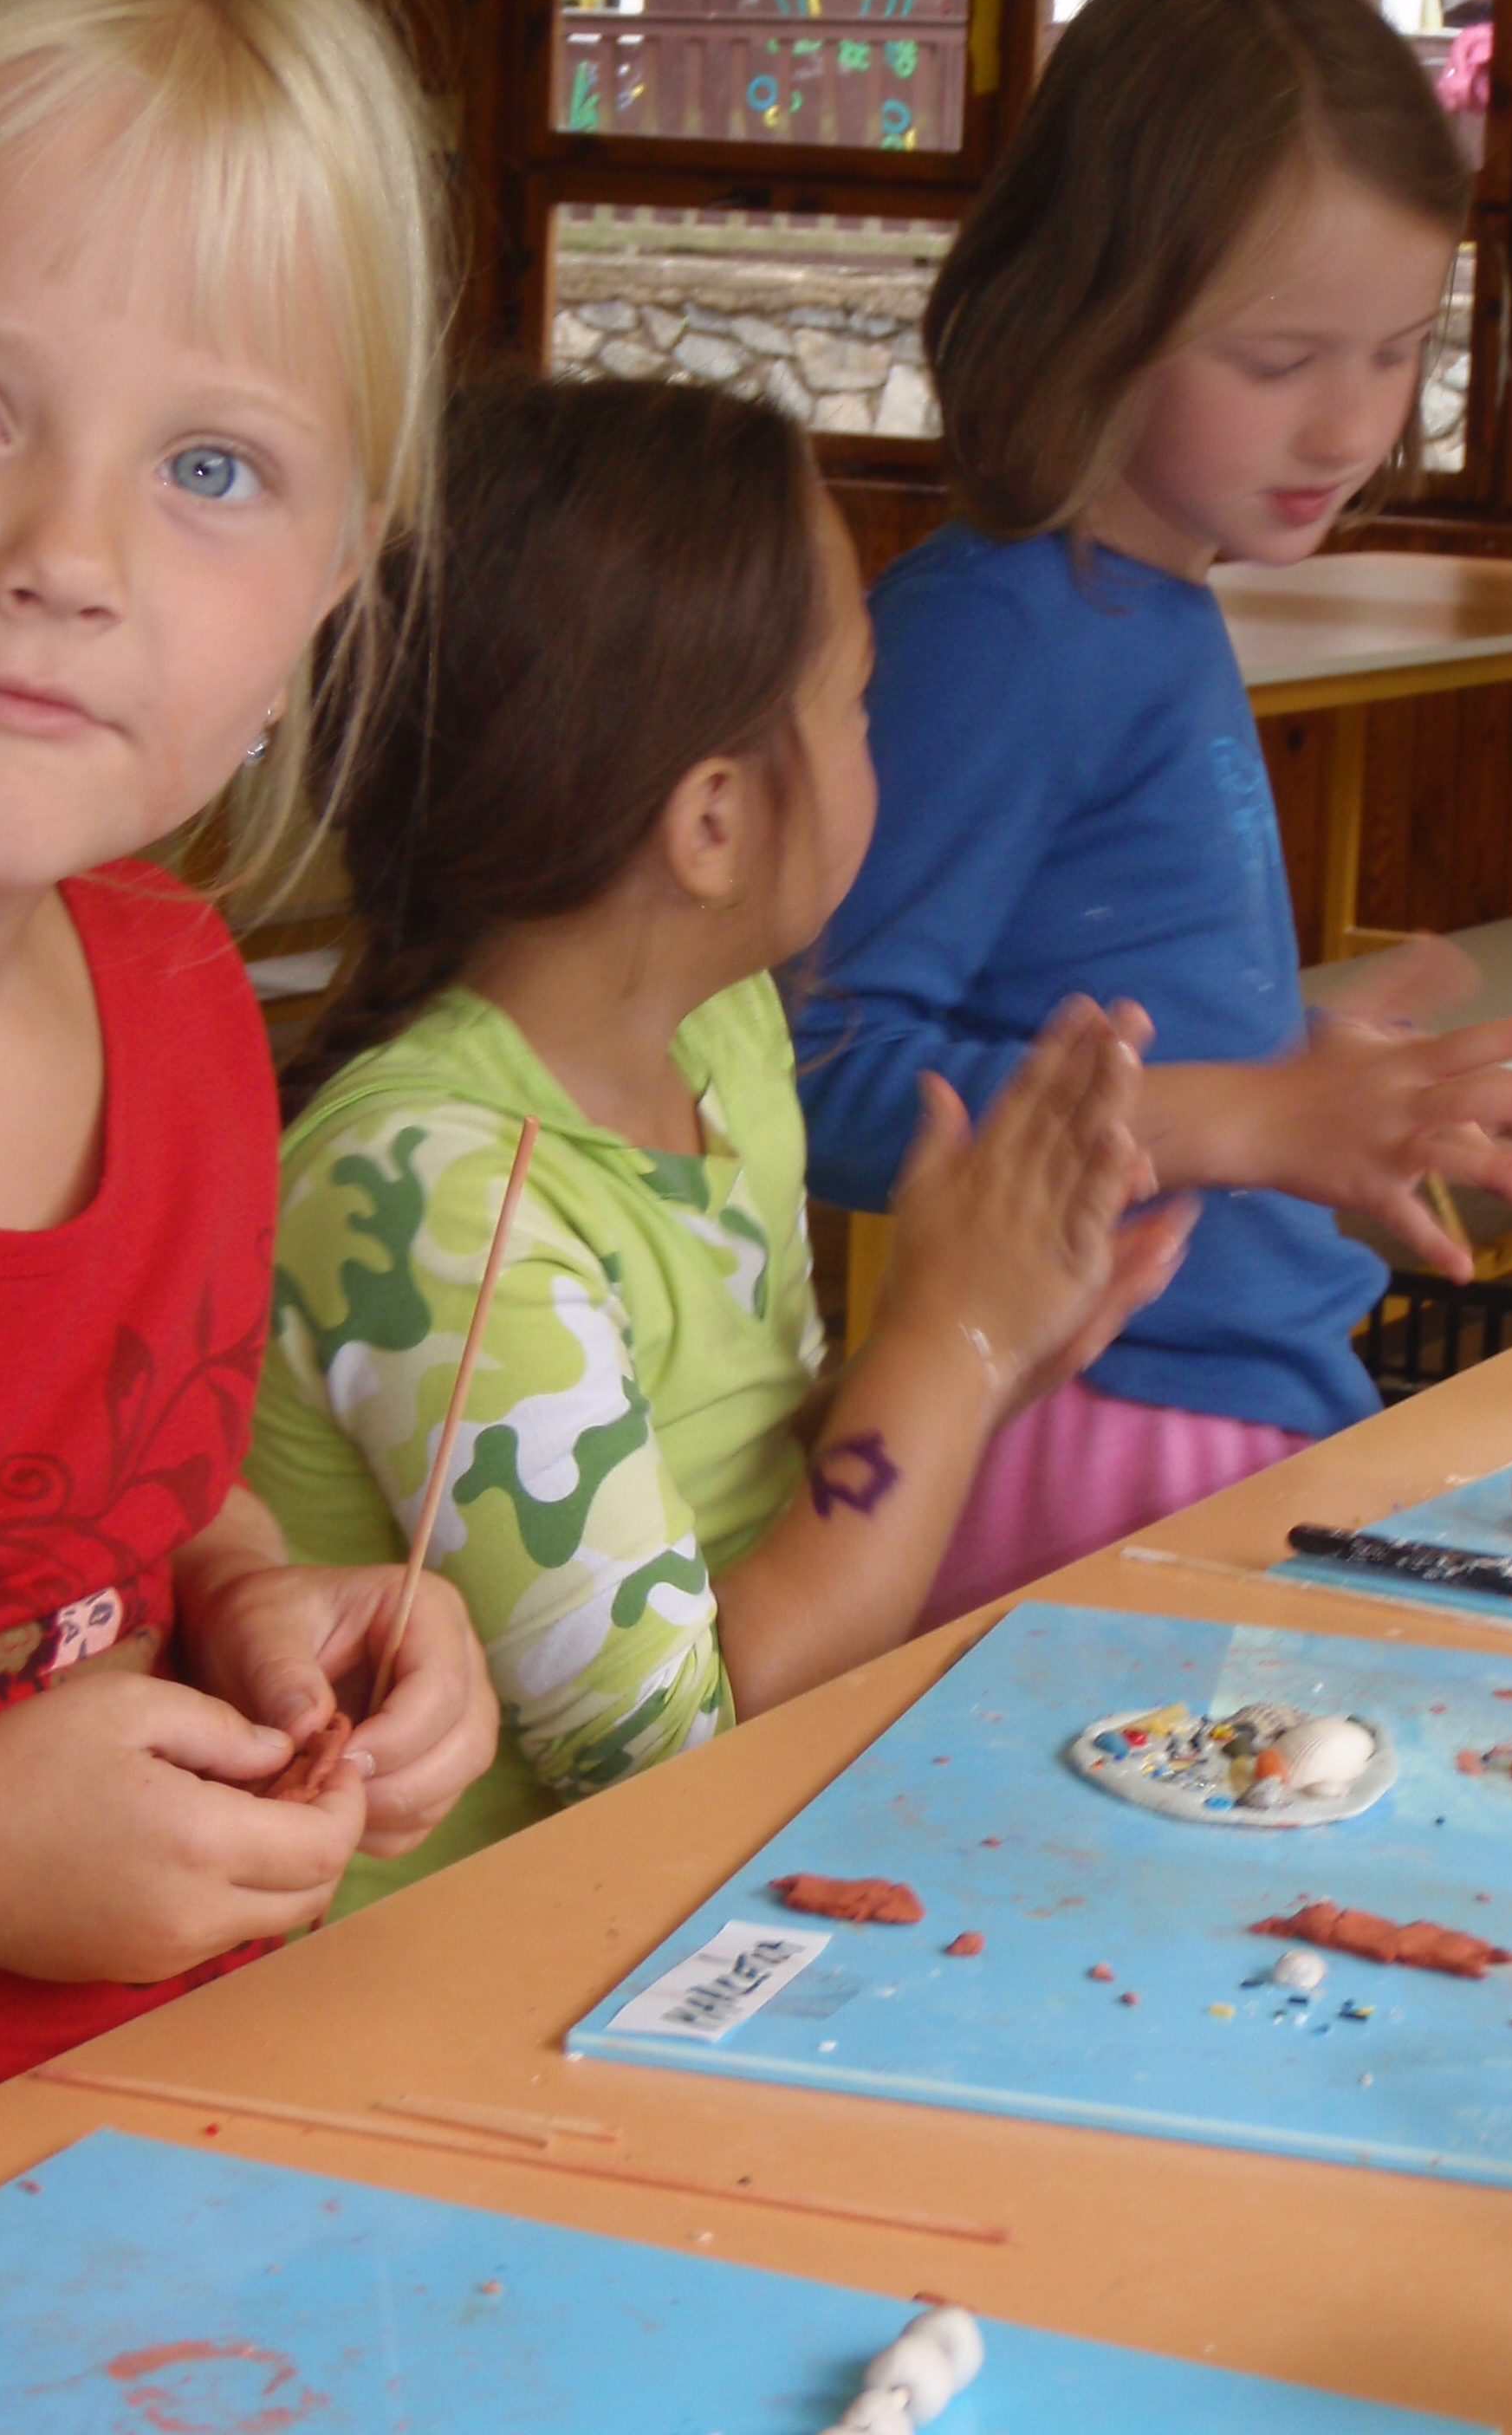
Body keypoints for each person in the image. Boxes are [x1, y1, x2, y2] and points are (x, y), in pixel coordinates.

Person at [0, 0, 496, 2179]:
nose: (68, 556)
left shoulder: (180, 1003)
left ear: (330, 580)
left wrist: (254, 1609)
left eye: (212, 469)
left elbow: (107, 1507)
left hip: (165, 2184)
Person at [794, 0, 1512, 1629]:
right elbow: (815, 1071)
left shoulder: (1147, 600)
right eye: (1280, 362)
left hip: (1232, 1400)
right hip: (1094, 1421)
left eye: (1396, 351)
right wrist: (1252, 1116)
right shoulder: (1005, 628)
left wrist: (1327, 1076)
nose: (1349, 425)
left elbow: (1097, 1020)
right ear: (1091, 308)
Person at [249, 370, 1189, 1909]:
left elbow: (731, 1499)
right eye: (858, 702)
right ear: (711, 823)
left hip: (692, 1904)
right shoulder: (437, 1195)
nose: (879, 743)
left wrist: (995, 1344)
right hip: (469, 1968)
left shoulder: (721, 1036)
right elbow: (673, 1751)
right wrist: (943, 1353)